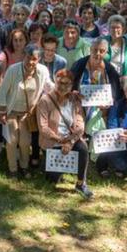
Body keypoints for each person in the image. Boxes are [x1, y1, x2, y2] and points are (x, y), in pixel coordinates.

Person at [37, 70, 92, 198]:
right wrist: (60, 140)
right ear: (55, 82)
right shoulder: (45, 100)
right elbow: (43, 128)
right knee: (52, 179)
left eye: (67, 84)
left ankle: (81, 183)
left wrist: (70, 141)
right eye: (60, 83)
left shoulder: (74, 99)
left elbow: (80, 124)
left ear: (72, 85)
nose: (63, 87)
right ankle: (54, 170)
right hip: (52, 140)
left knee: (83, 149)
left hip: (70, 138)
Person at [0, 46, 52, 178]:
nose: (31, 62)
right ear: (24, 56)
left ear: (38, 59)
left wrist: (64, 92)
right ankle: (12, 169)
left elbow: (49, 87)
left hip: (28, 113)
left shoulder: (42, 71)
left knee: (25, 142)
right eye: (28, 58)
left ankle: (24, 166)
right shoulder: (13, 69)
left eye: (34, 59)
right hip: (11, 110)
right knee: (11, 140)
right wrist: (2, 110)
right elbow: (3, 91)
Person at [70, 38, 124, 135]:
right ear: (90, 49)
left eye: (102, 51)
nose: (98, 53)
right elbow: (68, 85)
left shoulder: (111, 70)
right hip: (79, 108)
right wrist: (72, 93)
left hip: (102, 112)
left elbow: (116, 94)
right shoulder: (79, 65)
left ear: (106, 53)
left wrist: (109, 102)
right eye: (95, 50)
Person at [103, 15, 127, 81]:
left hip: (125, 81)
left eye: (118, 27)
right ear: (108, 29)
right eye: (112, 27)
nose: (115, 30)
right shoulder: (102, 42)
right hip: (106, 80)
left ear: (123, 30)